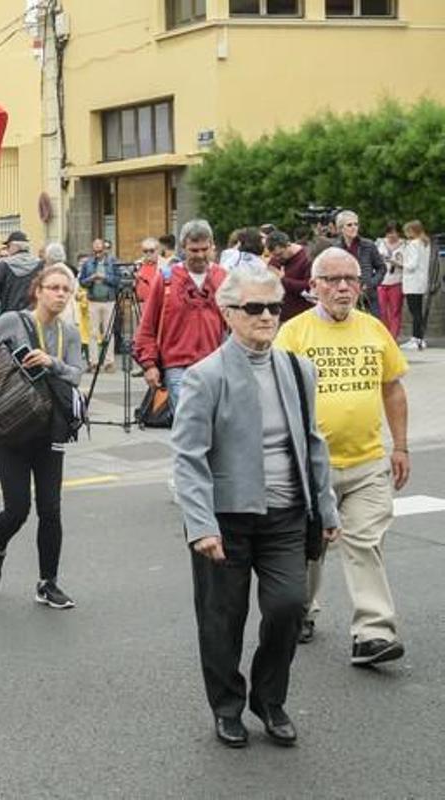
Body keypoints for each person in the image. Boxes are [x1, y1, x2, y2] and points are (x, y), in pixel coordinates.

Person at [172, 264, 340, 748]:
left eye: (274, 307)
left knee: (288, 607)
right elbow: (188, 457)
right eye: (254, 308)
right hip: (226, 520)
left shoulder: (298, 369)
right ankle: (227, 707)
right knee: (222, 619)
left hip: (287, 515)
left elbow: (312, 443)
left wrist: (326, 508)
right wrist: (201, 525)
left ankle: (269, 700)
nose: (267, 316)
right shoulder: (205, 377)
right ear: (228, 313)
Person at [274, 247, 410, 665]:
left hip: (367, 462)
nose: (343, 288)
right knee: (310, 546)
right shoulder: (293, 334)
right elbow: (273, 396)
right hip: (312, 468)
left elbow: (392, 388)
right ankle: (302, 609)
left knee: (364, 542)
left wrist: (400, 446)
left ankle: (374, 632)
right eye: (332, 280)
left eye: (351, 279)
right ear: (314, 286)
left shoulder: (373, 329)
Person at [0, 265, 85, 609]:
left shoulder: (69, 333)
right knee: (17, 509)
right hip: (12, 428)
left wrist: (52, 363)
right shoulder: (12, 322)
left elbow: (76, 375)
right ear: (38, 290)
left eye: (65, 289)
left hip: (50, 429)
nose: (60, 294)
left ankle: (48, 583)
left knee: (51, 510)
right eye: (54, 287)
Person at [133, 219, 228, 414]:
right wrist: (149, 364)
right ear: (183, 248)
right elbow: (147, 325)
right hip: (177, 366)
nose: (200, 255)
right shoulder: (166, 278)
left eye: (204, 249)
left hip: (216, 364)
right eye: (194, 250)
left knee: (216, 423)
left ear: (212, 246)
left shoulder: (223, 277)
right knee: (190, 420)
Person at [79, 238, 123, 374]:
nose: (97, 254)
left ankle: (109, 363)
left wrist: (104, 278)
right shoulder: (87, 263)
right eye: (95, 251)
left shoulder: (113, 262)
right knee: (93, 333)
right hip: (93, 301)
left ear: (105, 250)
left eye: (99, 251)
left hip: (109, 301)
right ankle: (93, 362)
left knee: (108, 333)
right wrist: (91, 278)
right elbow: (82, 282)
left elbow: (118, 281)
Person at [332, 210, 385, 315]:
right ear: (341, 228)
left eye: (356, 224)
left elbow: (381, 268)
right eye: (349, 225)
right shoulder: (336, 248)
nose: (354, 227)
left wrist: (371, 283)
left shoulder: (368, 245)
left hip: (368, 298)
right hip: (345, 296)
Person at [0, 231, 41, 313]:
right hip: (33, 312)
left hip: (9, 312)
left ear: (14, 247)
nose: (7, 250)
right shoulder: (40, 264)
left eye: (8, 246)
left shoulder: (4, 264)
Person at [266, 230, 314, 322]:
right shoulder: (277, 258)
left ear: (288, 245)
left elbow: (309, 287)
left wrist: (282, 280)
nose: (277, 258)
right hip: (281, 315)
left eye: (279, 254)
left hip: (301, 316)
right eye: (274, 256)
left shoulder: (307, 258)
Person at [400, 220, 430, 350]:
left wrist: (398, 263)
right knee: (418, 311)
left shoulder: (413, 244)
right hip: (421, 281)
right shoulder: (425, 243)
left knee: (415, 312)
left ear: (412, 231)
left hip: (412, 282)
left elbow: (411, 265)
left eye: (407, 231)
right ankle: (419, 338)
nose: (405, 234)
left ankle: (416, 339)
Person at [374, 222, 405, 340]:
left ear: (399, 233)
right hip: (381, 281)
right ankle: (384, 336)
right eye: (389, 233)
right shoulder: (379, 243)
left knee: (395, 310)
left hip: (397, 281)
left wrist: (395, 262)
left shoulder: (405, 245)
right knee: (381, 310)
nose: (391, 235)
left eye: (394, 232)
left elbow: (407, 263)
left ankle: (393, 337)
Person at [134, 237, 171, 304]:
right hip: (140, 305)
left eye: (151, 251)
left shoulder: (166, 265)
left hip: (158, 304)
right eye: (145, 251)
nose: (148, 253)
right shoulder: (137, 264)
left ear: (158, 251)